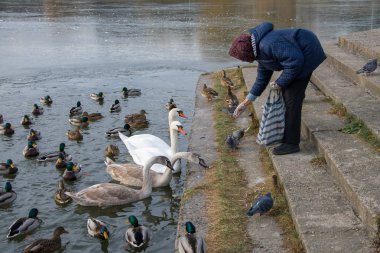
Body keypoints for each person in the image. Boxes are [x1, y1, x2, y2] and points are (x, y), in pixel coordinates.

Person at [229, 22, 326, 155]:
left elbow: (295, 62)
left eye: (243, 59)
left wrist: (280, 82)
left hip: (307, 51)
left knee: (290, 99)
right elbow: (262, 78)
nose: (244, 62)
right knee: (289, 91)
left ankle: (291, 143)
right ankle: (296, 99)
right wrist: (246, 102)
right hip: (298, 55)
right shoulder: (259, 49)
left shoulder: (268, 44)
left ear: (249, 53)